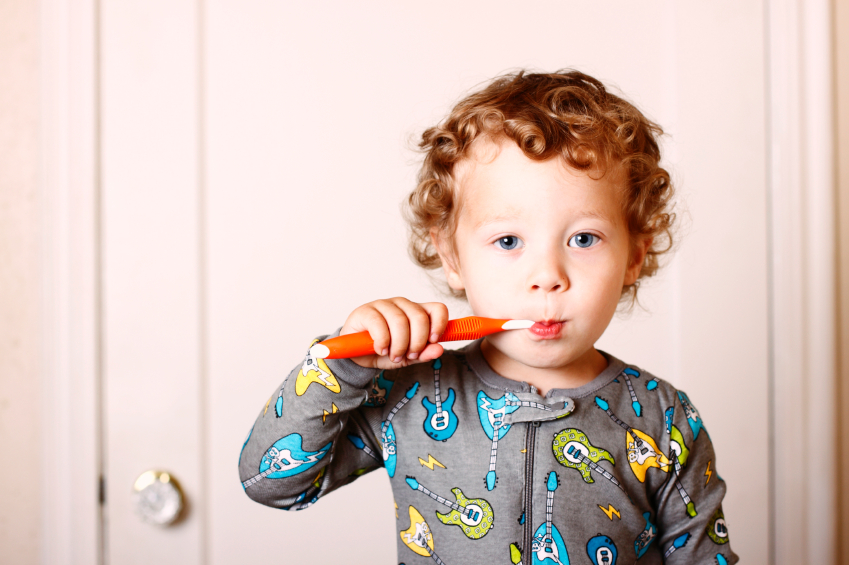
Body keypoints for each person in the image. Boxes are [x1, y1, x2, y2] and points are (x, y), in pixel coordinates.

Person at [238, 69, 737, 564]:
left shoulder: (664, 419)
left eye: (584, 239)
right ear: (452, 257)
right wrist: (342, 368)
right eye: (508, 241)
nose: (547, 276)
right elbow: (271, 483)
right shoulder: (412, 394)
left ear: (633, 257)